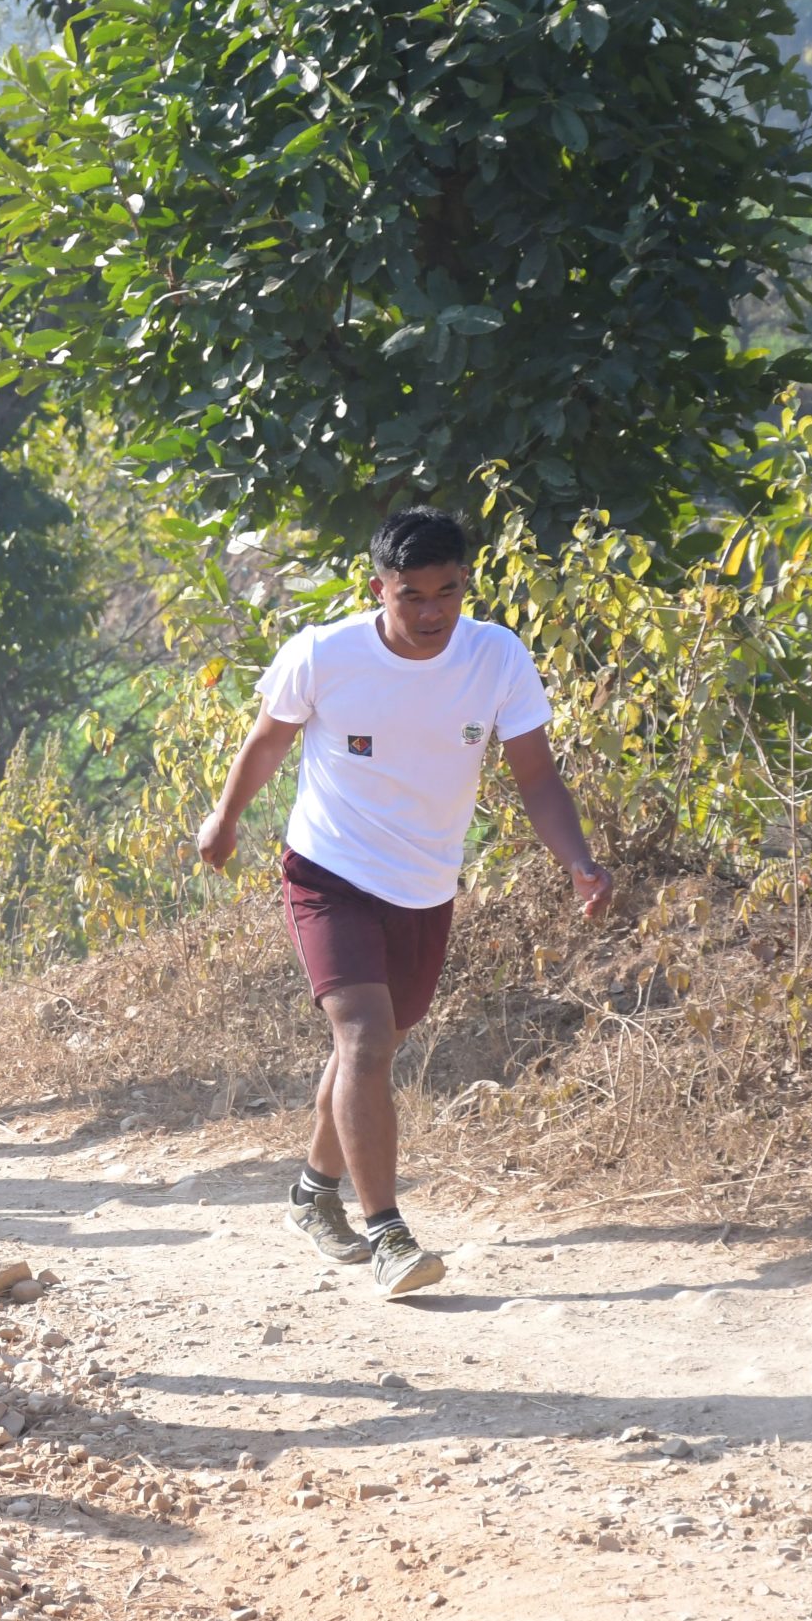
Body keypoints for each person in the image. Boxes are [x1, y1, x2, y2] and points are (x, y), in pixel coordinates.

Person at [196, 507, 612, 1300]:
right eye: (410, 595)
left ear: (465, 584)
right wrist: (226, 819)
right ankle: (389, 1233)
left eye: (447, 592)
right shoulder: (323, 653)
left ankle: (313, 1193)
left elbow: (535, 776)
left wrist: (578, 860)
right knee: (365, 1038)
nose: (430, 613)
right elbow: (268, 742)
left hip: (425, 887)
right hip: (328, 870)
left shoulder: (497, 657)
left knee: (374, 1047)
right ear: (377, 586)